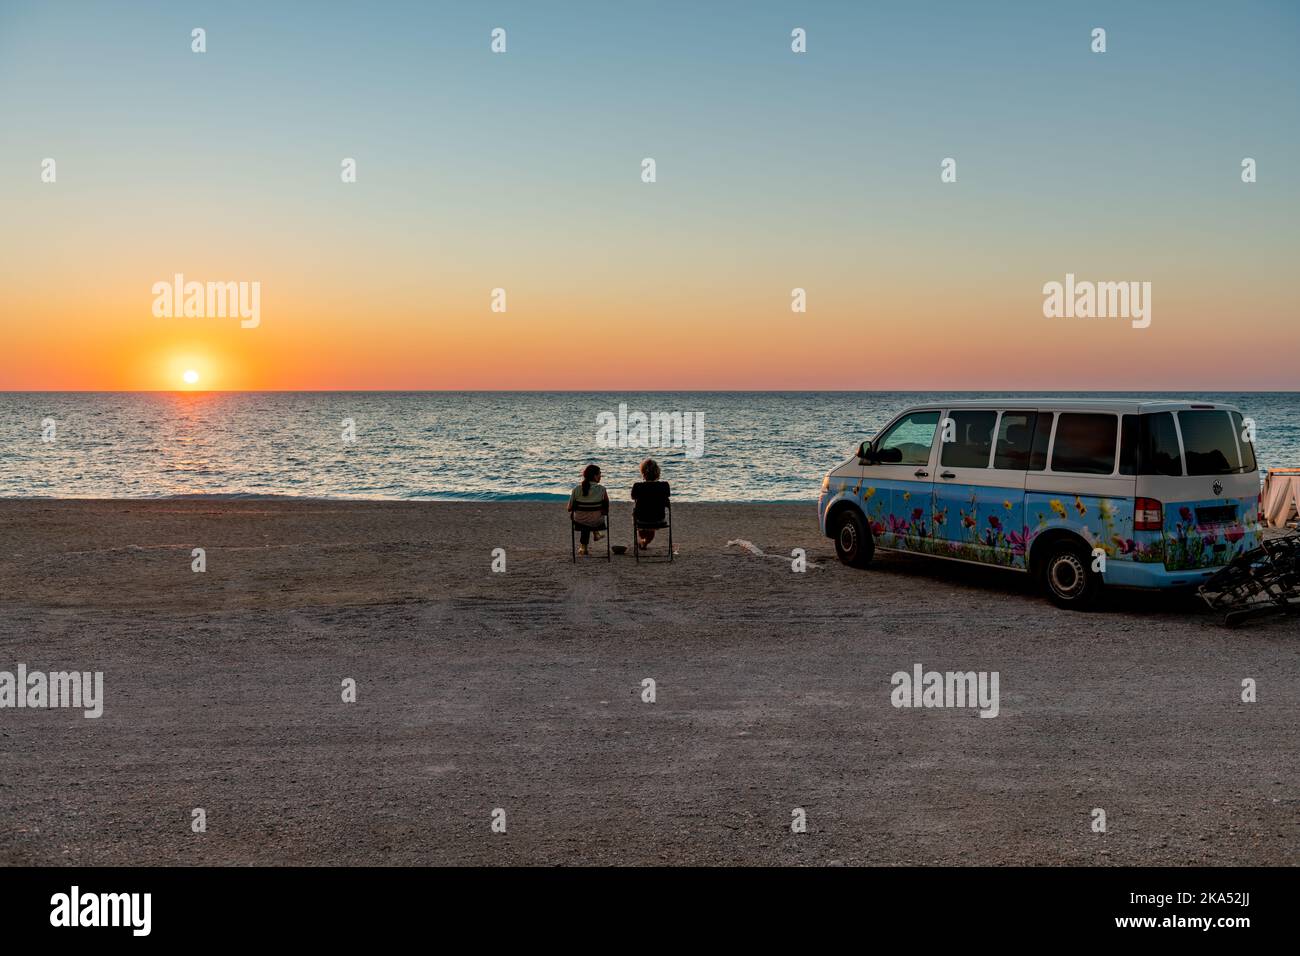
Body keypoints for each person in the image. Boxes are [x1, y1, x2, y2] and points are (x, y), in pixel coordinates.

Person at [567, 464, 608, 556]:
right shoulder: (602, 489)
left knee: (585, 519)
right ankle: (596, 533)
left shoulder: (576, 489)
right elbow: (606, 508)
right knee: (591, 517)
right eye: (599, 474)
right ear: (594, 476)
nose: (601, 476)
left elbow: (569, 508)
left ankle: (583, 548)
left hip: (579, 521)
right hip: (597, 522)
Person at [630, 458, 670, 550]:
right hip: (658, 519)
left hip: (641, 519)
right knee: (650, 526)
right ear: (657, 472)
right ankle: (644, 542)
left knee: (640, 521)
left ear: (643, 473)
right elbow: (667, 498)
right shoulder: (664, 486)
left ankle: (643, 541)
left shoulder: (637, 486)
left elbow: (633, 497)